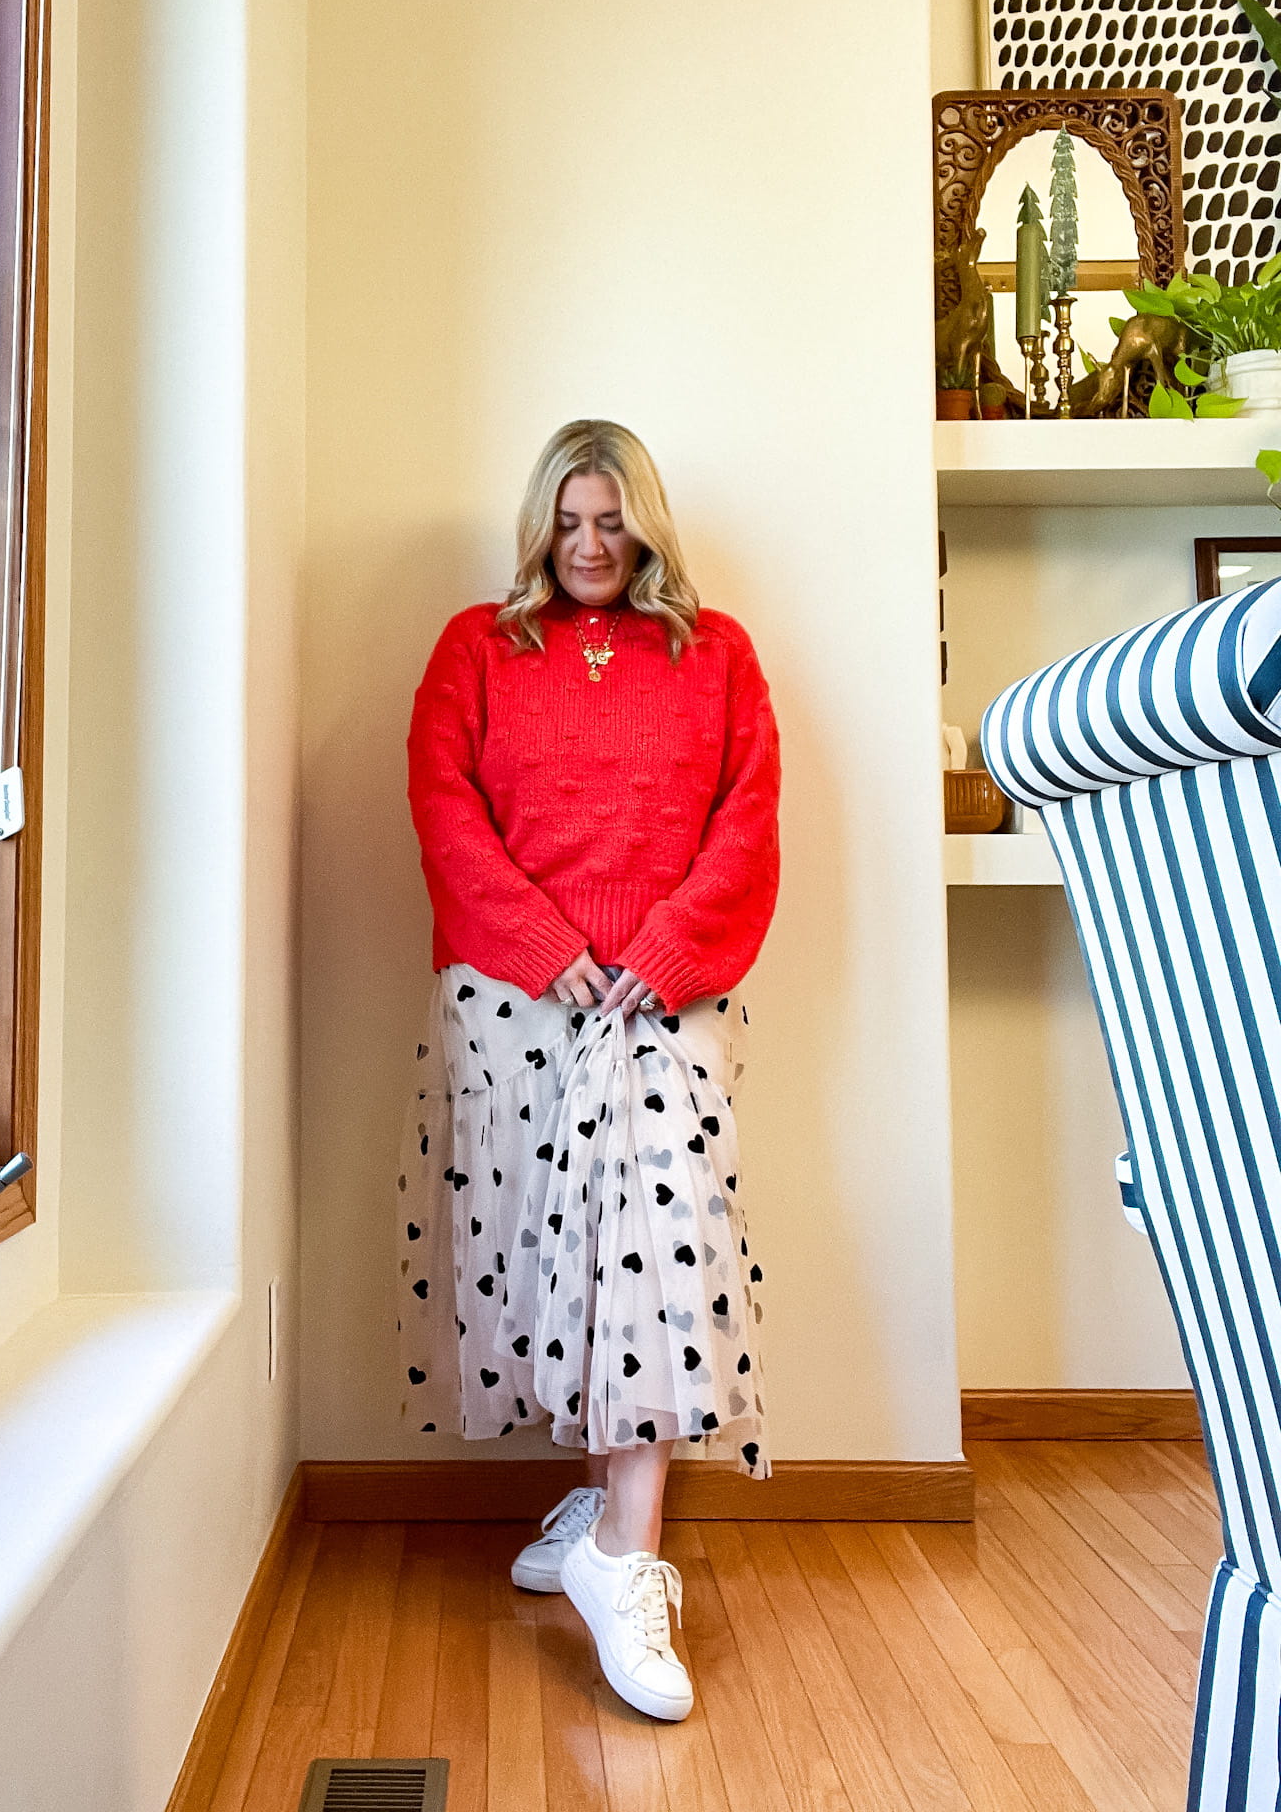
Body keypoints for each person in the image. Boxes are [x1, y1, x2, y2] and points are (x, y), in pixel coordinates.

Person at [398, 418, 780, 1721]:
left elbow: (748, 820)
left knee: (663, 1249)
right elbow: (443, 803)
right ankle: (598, 1510)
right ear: (538, 527)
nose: (590, 545)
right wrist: (541, 944)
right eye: (567, 523)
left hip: (667, 998)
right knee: (545, 1261)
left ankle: (625, 1555)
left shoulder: (718, 656)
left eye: (611, 521)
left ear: (648, 524)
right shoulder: (477, 649)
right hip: (515, 999)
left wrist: (663, 948)